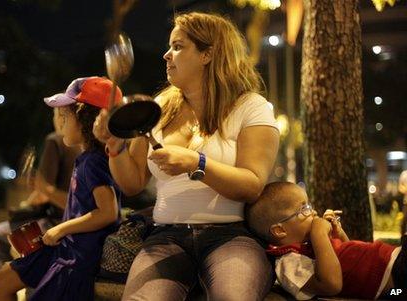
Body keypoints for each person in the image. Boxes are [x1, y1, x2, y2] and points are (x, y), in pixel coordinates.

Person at [94, 12, 279, 300]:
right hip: (165, 237)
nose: (167, 55)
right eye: (169, 47)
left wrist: (197, 163)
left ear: (208, 54)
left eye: (178, 47)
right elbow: (131, 184)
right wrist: (115, 145)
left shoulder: (251, 107)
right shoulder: (159, 107)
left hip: (230, 237)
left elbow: (252, 184)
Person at [0, 76, 122, 301]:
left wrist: (60, 229)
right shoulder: (86, 158)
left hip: (77, 257)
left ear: (86, 120)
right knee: (2, 280)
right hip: (66, 247)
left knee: (5, 281)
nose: (60, 123)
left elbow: (108, 212)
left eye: (65, 116)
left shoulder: (94, 161)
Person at [246, 182, 407, 300]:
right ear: (280, 230)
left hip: (393, 259)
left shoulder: (309, 243)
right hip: (394, 283)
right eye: (303, 210)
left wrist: (339, 234)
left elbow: (351, 259)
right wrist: (319, 235)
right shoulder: (288, 263)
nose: (313, 212)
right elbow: (332, 284)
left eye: (309, 205)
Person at [0, 108, 80, 280]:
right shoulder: (89, 147)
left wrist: (26, 205)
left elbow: (44, 193)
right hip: (78, 226)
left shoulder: (55, 140)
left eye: (56, 114)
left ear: (62, 117)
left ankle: (8, 285)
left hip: (56, 224)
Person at [399, 169, 407, 235]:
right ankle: (402, 239)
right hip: (406, 202)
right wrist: (405, 189)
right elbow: (400, 187)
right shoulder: (404, 174)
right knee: (404, 221)